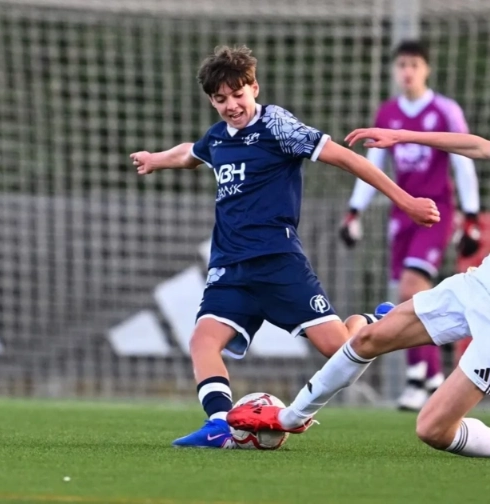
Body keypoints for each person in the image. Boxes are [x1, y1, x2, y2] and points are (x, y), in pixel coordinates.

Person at [227, 94, 490, 460]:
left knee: (432, 429)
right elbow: (477, 146)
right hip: (474, 287)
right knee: (367, 339)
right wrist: (403, 136)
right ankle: (290, 418)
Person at [130, 44, 439, 449]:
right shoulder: (218, 138)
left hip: (278, 263)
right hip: (230, 268)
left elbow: (348, 159)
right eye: (220, 99)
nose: (231, 105)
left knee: (341, 353)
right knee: (203, 340)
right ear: (211, 101)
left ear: (254, 88)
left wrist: (406, 201)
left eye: (238, 94)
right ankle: (220, 425)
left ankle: (368, 321)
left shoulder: (278, 126)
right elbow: (190, 153)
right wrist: (156, 159)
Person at [338, 40, 482, 411]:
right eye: (402, 64)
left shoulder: (445, 110)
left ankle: (419, 379)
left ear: (426, 69)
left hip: (434, 213)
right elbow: (372, 167)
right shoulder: (387, 112)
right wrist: (354, 211)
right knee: (409, 299)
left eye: (415, 64)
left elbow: (463, 161)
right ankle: (431, 376)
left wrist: (471, 216)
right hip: (400, 215)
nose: (408, 71)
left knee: (411, 288)